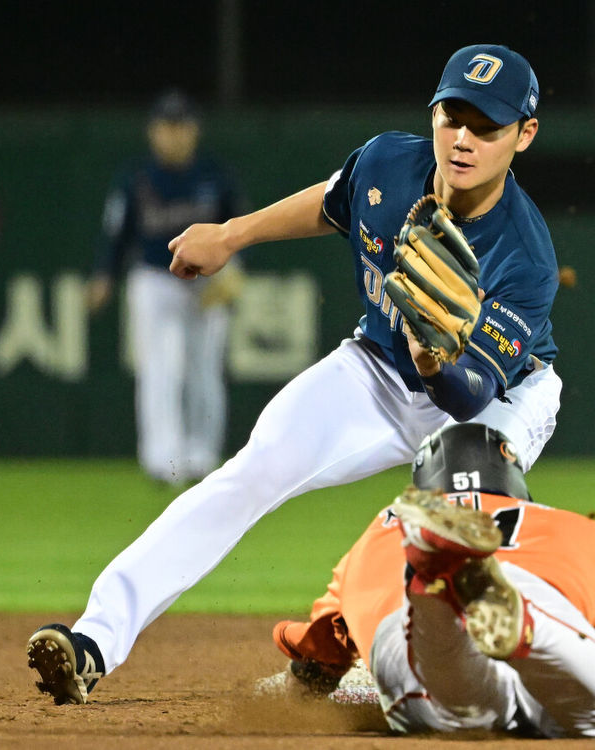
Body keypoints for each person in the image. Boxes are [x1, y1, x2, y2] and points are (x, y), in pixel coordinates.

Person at [27, 44, 564, 706]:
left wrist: (434, 358)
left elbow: (468, 395)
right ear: (433, 113)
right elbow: (334, 204)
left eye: (488, 127)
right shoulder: (389, 163)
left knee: (462, 507)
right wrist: (232, 234)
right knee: (251, 472)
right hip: (374, 370)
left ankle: (583, 664)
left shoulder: (525, 255)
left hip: (498, 399)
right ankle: (95, 641)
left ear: (525, 135)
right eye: (453, 116)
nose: (464, 138)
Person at [267, 423, 595, 739]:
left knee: (454, 699)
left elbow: (315, 668)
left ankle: (436, 594)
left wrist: (305, 684)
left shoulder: (376, 536)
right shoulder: (580, 532)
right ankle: (525, 628)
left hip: (412, 650)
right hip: (535, 616)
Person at [87, 89, 247, 485]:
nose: (174, 134)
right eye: (166, 126)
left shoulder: (214, 175)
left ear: (194, 130)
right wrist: (104, 275)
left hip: (205, 282)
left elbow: (241, 228)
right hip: (155, 280)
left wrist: (235, 273)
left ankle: (201, 456)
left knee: (205, 371)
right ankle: (162, 459)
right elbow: (116, 235)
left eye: (181, 126)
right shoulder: (137, 178)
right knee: (159, 370)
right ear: (153, 132)